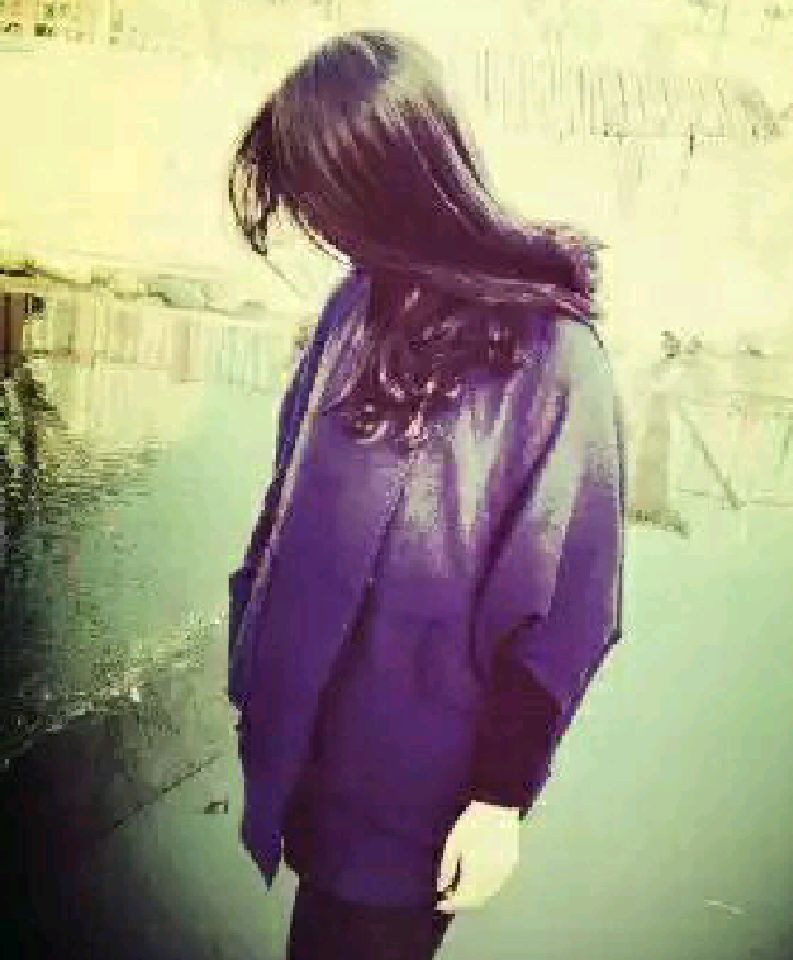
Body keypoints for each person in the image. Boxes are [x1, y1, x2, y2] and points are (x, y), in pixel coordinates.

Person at [225, 29, 625, 960]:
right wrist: (252, 648)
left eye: (326, 200)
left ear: (388, 181)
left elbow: (569, 605)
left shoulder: (552, 358)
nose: (319, 227)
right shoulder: (357, 306)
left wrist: (499, 800)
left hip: (424, 784)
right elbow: (285, 499)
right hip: (313, 748)